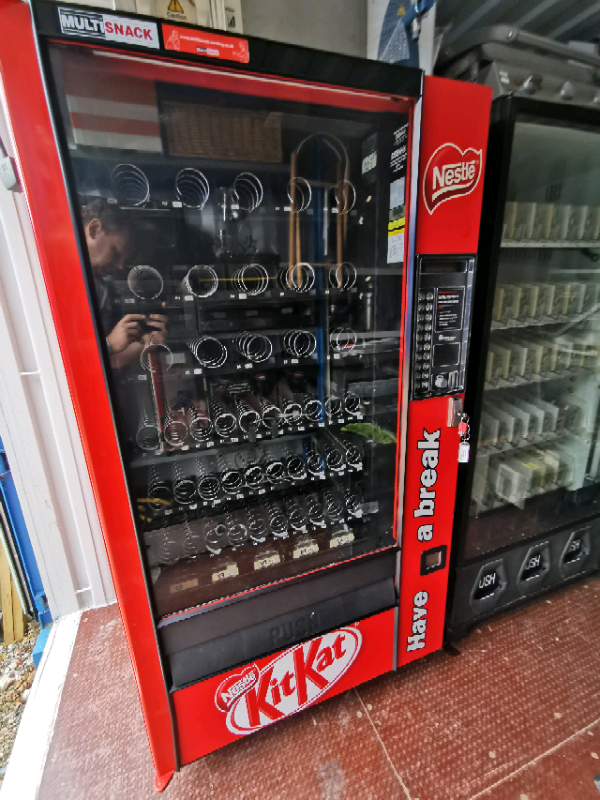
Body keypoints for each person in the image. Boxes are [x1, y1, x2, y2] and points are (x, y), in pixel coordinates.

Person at [81, 198, 167, 369]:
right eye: (115, 251)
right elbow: (65, 365)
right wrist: (108, 344)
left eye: (123, 259)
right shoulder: (51, 274)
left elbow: (111, 362)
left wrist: (146, 342)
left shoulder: (100, 289)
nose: (120, 266)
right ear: (94, 229)